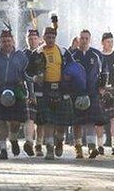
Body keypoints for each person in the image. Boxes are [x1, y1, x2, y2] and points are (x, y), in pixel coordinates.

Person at [0, 29, 33, 160]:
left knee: (16, 122)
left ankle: (13, 139)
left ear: (13, 41)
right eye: (4, 41)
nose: (6, 43)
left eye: (9, 41)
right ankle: (3, 148)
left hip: (17, 91)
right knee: (1, 121)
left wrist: (31, 93)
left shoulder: (21, 56)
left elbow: (28, 75)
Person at [32, 26, 76, 160]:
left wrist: (69, 78)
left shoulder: (63, 52)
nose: (50, 40)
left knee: (61, 124)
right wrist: (35, 78)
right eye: (48, 37)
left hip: (61, 90)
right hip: (45, 89)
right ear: (43, 37)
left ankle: (59, 141)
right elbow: (29, 71)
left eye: (53, 37)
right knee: (48, 122)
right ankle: (49, 149)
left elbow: (73, 68)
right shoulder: (37, 52)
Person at [69, 29, 109, 159]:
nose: (84, 40)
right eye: (82, 38)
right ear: (78, 39)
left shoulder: (96, 54)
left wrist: (102, 87)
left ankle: (92, 147)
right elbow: (66, 73)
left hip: (92, 91)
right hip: (76, 91)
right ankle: (78, 148)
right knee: (77, 122)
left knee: (91, 121)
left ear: (90, 40)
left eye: (86, 38)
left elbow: (105, 71)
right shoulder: (72, 54)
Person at [96, 32, 114, 155]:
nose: (110, 44)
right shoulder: (97, 56)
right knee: (99, 119)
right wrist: (99, 88)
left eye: (112, 41)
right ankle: (100, 145)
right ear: (102, 42)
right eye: (108, 41)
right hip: (100, 90)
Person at [23, 28, 42, 156]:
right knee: (29, 118)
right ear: (26, 39)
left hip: (43, 89)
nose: (32, 40)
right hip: (28, 90)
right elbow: (21, 72)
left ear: (39, 39)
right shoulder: (23, 54)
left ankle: (39, 145)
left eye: (35, 38)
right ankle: (29, 142)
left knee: (42, 120)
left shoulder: (43, 52)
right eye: (30, 38)